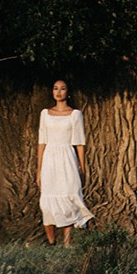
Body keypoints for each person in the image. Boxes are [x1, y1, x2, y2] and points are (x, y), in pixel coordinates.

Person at [37, 78, 90, 242]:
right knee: (47, 201)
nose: (58, 92)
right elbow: (41, 142)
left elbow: (79, 143)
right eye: (55, 88)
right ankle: (51, 241)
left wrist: (83, 168)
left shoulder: (75, 115)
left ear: (68, 93)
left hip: (67, 159)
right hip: (49, 160)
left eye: (62, 88)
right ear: (52, 92)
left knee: (69, 198)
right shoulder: (45, 114)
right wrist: (38, 169)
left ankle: (67, 243)